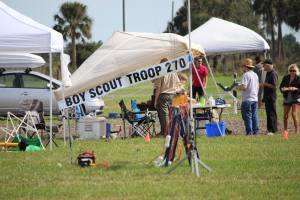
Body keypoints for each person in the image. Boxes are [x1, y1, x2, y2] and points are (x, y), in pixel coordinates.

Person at [153, 58, 181, 136]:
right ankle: (173, 131)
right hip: (173, 95)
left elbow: (158, 88)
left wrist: (155, 101)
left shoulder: (161, 73)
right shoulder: (174, 72)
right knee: (173, 115)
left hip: (164, 96)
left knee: (164, 115)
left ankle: (165, 132)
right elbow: (179, 84)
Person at [238, 58, 259, 135]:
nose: (242, 68)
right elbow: (257, 87)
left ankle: (249, 132)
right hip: (254, 98)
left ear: (245, 67)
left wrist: (238, 87)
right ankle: (255, 131)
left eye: (243, 66)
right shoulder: (255, 75)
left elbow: (244, 87)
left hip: (247, 99)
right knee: (254, 116)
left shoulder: (245, 75)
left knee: (247, 116)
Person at [279, 64, 300, 134]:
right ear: (289, 71)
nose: (292, 72)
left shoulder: (299, 78)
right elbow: (281, 87)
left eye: (294, 70)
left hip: (296, 97)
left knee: (294, 114)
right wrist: (283, 89)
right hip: (287, 97)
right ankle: (285, 131)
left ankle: (296, 131)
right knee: (285, 115)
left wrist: (295, 89)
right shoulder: (286, 77)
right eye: (291, 70)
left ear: (296, 71)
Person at [260, 59, 278, 136]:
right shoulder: (268, 73)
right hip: (267, 96)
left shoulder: (273, 74)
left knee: (271, 114)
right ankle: (269, 129)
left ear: (268, 65)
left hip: (271, 97)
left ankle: (272, 130)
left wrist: (264, 84)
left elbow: (275, 86)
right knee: (269, 113)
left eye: (264, 65)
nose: (263, 67)